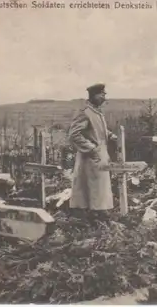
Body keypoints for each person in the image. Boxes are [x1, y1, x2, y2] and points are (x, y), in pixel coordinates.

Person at [68, 83, 117, 218]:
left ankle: (98, 214)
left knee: (99, 187)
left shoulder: (96, 111)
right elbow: (74, 135)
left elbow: (96, 129)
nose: (104, 98)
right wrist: (92, 149)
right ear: (94, 95)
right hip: (90, 156)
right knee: (94, 187)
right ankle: (95, 215)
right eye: (102, 95)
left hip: (100, 153)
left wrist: (109, 134)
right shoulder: (85, 113)